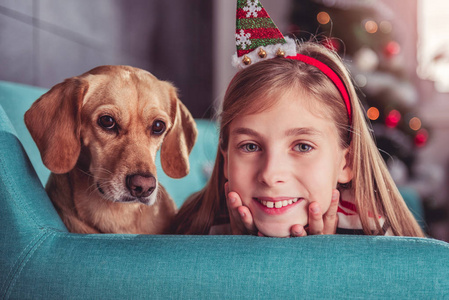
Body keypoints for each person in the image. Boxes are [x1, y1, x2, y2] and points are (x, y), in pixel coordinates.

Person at [170, 0, 425, 238]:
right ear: (226, 159)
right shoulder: (192, 232)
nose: (270, 175)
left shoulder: (379, 240)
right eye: (250, 146)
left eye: (303, 146)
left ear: (345, 163)